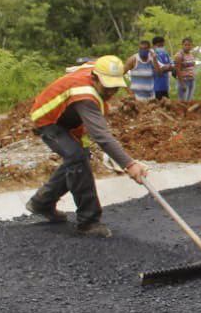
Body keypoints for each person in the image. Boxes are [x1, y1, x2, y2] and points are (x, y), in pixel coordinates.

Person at [25, 55, 148, 237]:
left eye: (115, 87)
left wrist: (127, 67)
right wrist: (129, 164)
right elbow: (101, 136)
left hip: (68, 118)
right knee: (77, 157)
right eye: (107, 87)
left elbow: (112, 72)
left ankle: (41, 202)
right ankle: (88, 221)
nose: (110, 92)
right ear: (95, 78)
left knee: (78, 157)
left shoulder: (97, 70)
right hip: (49, 120)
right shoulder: (85, 96)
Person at [174, 37, 197, 102]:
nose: (187, 46)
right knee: (183, 102)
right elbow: (177, 70)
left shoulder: (191, 55)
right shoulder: (179, 55)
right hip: (184, 80)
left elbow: (192, 67)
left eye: (189, 45)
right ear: (182, 45)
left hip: (192, 80)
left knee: (189, 101)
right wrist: (182, 84)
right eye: (185, 45)